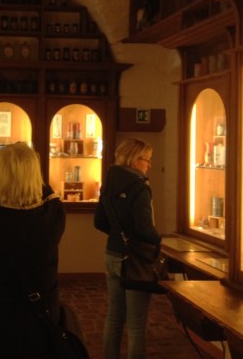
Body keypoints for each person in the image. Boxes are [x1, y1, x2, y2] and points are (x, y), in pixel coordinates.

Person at [0, 142, 66, 358]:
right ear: (36, 174)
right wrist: (32, 180)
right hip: (40, 317)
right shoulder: (53, 215)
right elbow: (50, 196)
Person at [94, 138, 161, 359]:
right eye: (147, 160)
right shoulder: (139, 187)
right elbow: (144, 229)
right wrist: (159, 241)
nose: (149, 165)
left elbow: (99, 221)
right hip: (135, 261)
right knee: (136, 323)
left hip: (112, 254)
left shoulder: (109, 183)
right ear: (134, 159)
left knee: (114, 317)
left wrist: (119, 236)